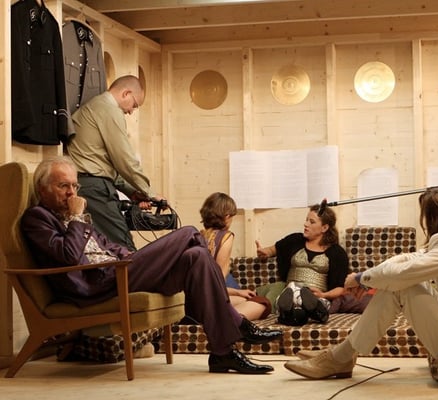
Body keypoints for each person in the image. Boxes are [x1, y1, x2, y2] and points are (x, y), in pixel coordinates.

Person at [21, 156, 283, 375]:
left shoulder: (72, 218)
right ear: (43, 189)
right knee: (190, 233)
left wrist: (140, 258)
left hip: (117, 271)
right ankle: (236, 323)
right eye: (63, 186)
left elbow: (109, 247)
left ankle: (222, 354)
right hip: (98, 285)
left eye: (75, 186)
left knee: (197, 256)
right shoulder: (37, 218)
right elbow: (67, 256)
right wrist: (78, 217)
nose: (72, 193)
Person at [284, 187, 438, 380]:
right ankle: (343, 354)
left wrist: (359, 279)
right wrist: (364, 276)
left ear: (432, 217)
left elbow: (403, 272)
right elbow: (409, 259)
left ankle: (341, 356)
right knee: (397, 282)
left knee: (402, 285)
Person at [67, 75, 163, 251]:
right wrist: (150, 192)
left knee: (108, 249)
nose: (131, 111)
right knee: (125, 248)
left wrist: (133, 192)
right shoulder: (109, 109)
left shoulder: (97, 107)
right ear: (126, 93)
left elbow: (106, 165)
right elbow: (124, 159)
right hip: (94, 189)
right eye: (134, 105)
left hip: (90, 185)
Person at [255, 203, 349, 325]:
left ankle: (304, 311)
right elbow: (272, 250)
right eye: (306, 220)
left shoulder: (337, 252)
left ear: (324, 228)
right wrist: (264, 252)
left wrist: (323, 294)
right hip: (290, 292)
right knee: (290, 294)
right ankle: (301, 311)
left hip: (317, 297)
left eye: (312, 222)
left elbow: (341, 288)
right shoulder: (295, 240)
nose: (306, 224)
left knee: (317, 303)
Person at [199, 192, 271, 321]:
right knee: (263, 303)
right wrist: (237, 292)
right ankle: (223, 322)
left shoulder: (199, 236)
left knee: (244, 299)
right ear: (227, 217)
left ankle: (222, 318)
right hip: (209, 301)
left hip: (195, 299)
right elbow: (217, 284)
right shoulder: (226, 237)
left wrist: (239, 292)